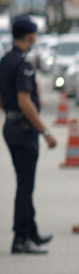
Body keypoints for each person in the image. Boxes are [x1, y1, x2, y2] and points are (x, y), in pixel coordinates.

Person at [1, 16, 57, 255]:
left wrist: (11, 113)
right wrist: (45, 131)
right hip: (24, 130)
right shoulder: (24, 63)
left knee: (25, 182)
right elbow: (25, 101)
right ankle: (21, 237)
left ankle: (30, 230)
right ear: (31, 36)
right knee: (25, 185)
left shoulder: (5, 60)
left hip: (11, 126)